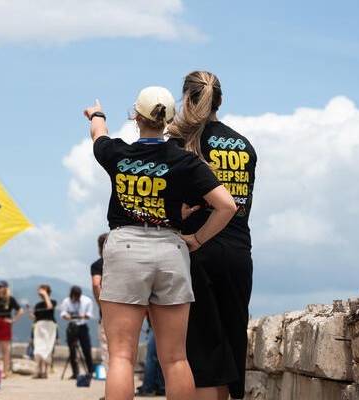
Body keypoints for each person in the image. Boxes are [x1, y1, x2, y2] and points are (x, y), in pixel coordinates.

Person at [83, 86, 237, 400]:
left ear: (136, 116)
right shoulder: (185, 162)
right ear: (168, 120)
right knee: (176, 358)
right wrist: (196, 239)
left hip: (125, 248)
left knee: (122, 357)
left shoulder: (118, 154)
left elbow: (98, 133)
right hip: (170, 250)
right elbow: (227, 206)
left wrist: (96, 113)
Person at [169, 71, 258, 400]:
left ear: (186, 98)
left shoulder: (181, 142)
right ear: (220, 100)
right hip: (238, 254)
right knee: (233, 343)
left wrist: (195, 237)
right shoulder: (244, 146)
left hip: (198, 251)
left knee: (205, 350)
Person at [59, 286, 96, 379]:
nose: (76, 299)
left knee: (86, 349)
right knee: (72, 351)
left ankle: (91, 372)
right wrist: (67, 316)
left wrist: (81, 316)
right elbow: (63, 313)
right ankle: (75, 372)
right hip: (72, 326)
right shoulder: (66, 301)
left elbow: (89, 315)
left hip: (82, 326)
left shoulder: (87, 301)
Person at [89, 233, 110, 370]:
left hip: (108, 311)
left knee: (107, 348)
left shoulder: (98, 265)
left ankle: (112, 388)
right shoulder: (121, 263)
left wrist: (101, 304)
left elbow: (96, 284)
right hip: (127, 310)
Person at [30, 284, 57, 379]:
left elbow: (50, 307)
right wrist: (30, 313)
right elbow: (35, 317)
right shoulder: (38, 305)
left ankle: (45, 371)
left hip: (49, 327)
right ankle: (38, 369)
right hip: (39, 326)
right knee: (38, 347)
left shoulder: (53, 301)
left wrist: (45, 295)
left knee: (47, 348)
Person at [137, 320, 166, 396]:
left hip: (155, 323)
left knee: (151, 357)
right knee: (175, 360)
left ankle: (148, 387)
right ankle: (160, 386)